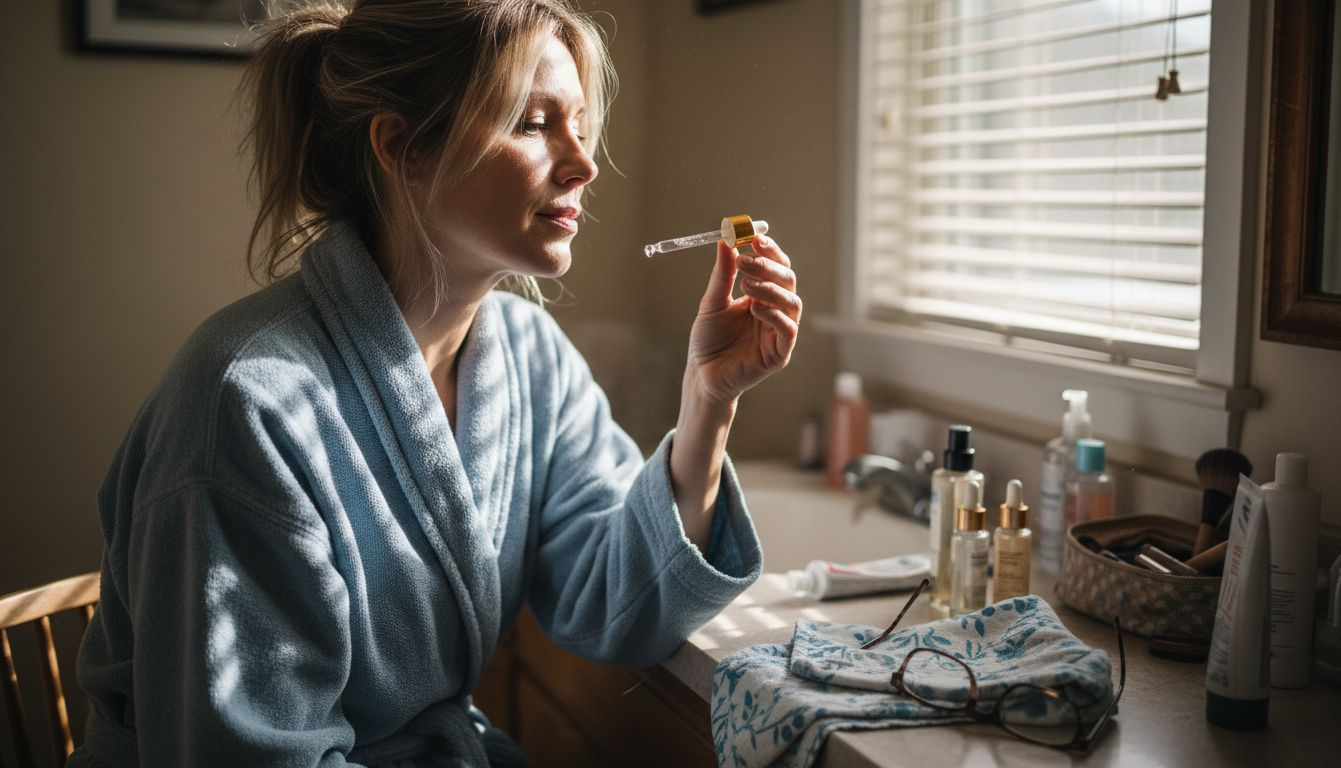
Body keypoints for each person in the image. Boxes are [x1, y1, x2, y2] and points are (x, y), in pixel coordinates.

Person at [70, 1, 802, 766]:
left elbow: (613, 597)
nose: (584, 162)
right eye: (531, 122)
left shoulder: (529, 357)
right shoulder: (246, 402)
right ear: (404, 148)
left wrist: (709, 400)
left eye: (578, 123)